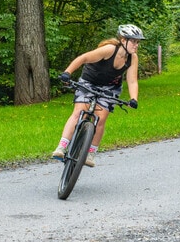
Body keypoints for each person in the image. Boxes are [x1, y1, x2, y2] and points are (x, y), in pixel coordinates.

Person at [52, 24, 145, 167]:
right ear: (122, 40)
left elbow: (132, 81)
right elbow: (83, 58)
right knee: (78, 113)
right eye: (133, 41)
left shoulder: (133, 58)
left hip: (110, 87)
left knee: (101, 119)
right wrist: (67, 73)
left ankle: (90, 153)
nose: (136, 45)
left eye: (138, 42)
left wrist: (134, 99)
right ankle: (61, 146)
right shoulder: (109, 50)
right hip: (89, 82)